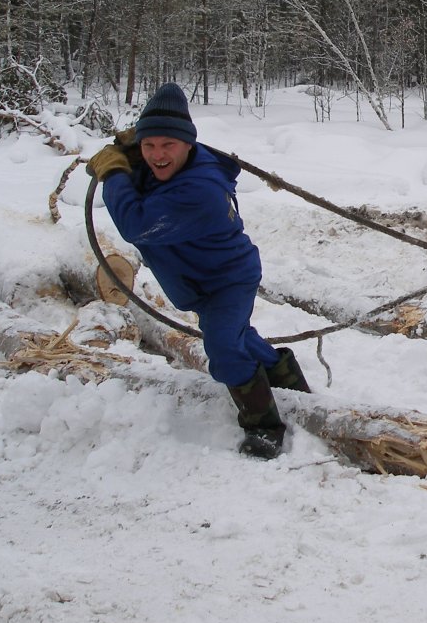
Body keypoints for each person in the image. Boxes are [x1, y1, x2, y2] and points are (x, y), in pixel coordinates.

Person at [86, 82, 310, 460]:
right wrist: (132, 155)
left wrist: (114, 174)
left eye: (168, 145)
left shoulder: (199, 191)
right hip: (199, 279)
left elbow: (135, 224)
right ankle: (289, 383)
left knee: (223, 346)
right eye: (149, 145)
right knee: (235, 335)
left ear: (188, 144)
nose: (157, 155)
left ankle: (264, 428)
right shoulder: (170, 169)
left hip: (228, 279)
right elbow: (148, 173)